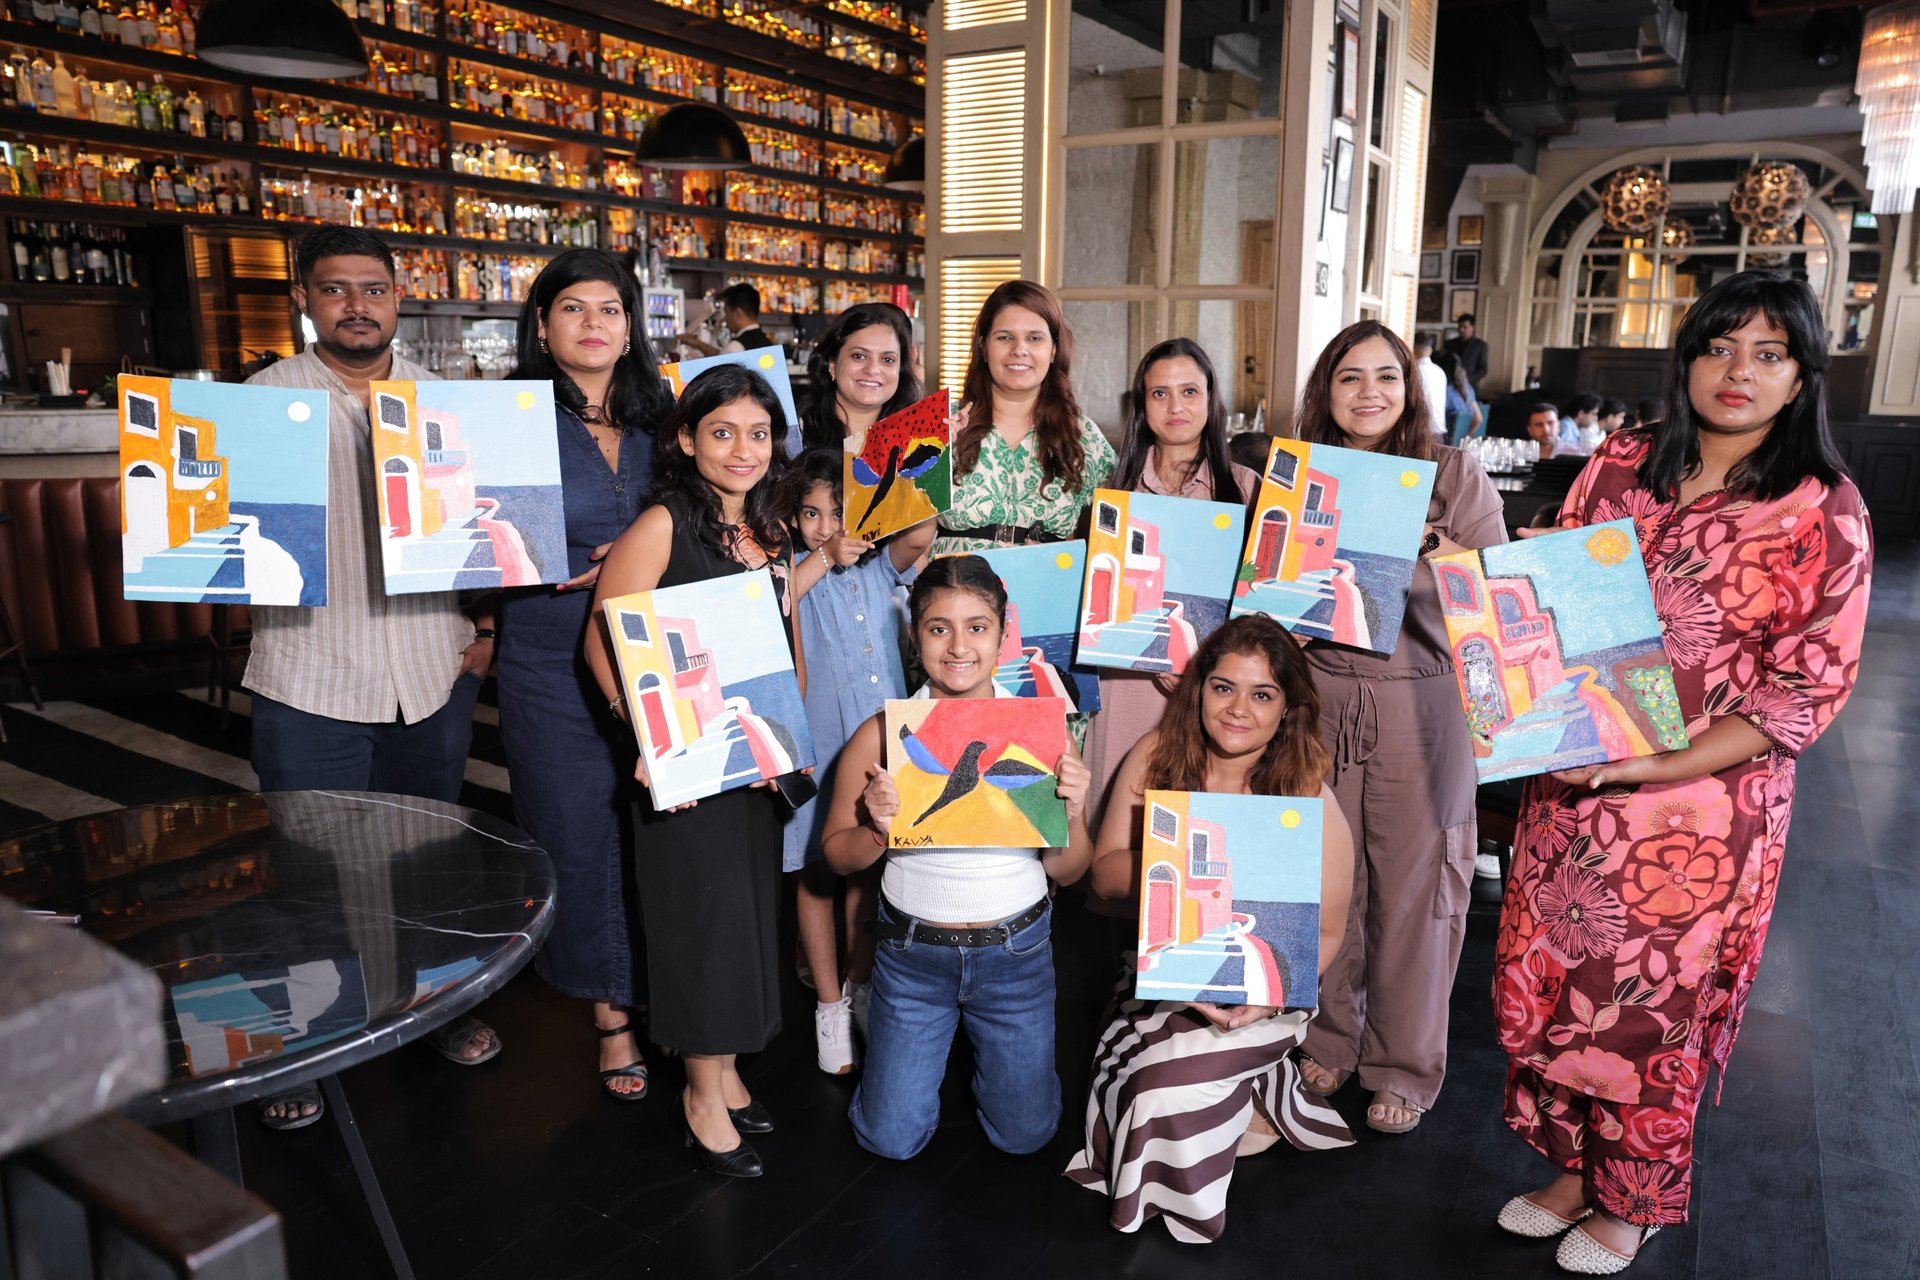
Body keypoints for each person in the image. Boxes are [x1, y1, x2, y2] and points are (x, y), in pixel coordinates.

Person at [1494, 272, 1872, 1274]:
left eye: (1767, 353)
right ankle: (1573, 1167)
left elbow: (1807, 688)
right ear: (1686, 358)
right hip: (1572, 779)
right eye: (1718, 346)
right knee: (1556, 982)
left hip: (1695, 817)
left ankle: (1636, 1196)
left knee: (1649, 1008)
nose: (1737, 370)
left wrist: (1657, 758)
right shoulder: (1620, 463)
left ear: (1801, 377)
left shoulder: (1819, 508)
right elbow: (1559, 593)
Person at [244, 225, 499, 1130]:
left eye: (373, 289)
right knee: (309, 869)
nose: (357, 305)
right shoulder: (258, 404)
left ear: (400, 298)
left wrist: (488, 628)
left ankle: (429, 1011)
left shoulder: (450, 406)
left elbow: (493, 536)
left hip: (430, 669)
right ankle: (300, 1048)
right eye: (335, 289)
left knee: (427, 860)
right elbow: (217, 543)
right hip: (308, 672)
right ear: (305, 302)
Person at [1066, 615, 1357, 1242]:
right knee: (1139, 1089)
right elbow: (1106, 877)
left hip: (1263, 991)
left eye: (1262, 694)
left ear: (1289, 708)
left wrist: (1265, 1000)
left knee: (1162, 1094)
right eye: (1223, 687)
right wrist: (1187, 859)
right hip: (1163, 972)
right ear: (1196, 688)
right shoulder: (1156, 755)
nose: (1238, 710)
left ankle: (1254, 1078)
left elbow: (1328, 931)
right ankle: (1255, 1091)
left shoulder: (1308, 793)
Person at [1290, 320, 1508, 1135]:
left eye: (1386, 376)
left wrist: (1431, 544)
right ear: (1327, 391)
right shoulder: (1303, 479)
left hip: (1424, 700)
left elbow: (1492, 602)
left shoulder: (1453, 475)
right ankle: (1330, 1038)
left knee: (1421, 894)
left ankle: (1404, 1066)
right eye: (1350, 377)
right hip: (1321, 694)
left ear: (1409, 389)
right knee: (1327, 883)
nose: (1369, 392)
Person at [584, 364, 796, 1178]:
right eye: (721, 432)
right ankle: (700, 1097)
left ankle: (728, 1069)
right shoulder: (664, 525)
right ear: (684, 439)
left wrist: (784, 742)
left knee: (742, 920)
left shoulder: (770, 531)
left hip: (751, 761)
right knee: (700, 928)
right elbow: (601, 641)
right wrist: (641, 736)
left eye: (757, 432)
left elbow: (785, 643)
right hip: (683, 763)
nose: (742, 449)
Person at [820, 555, 1095, 1160]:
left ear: (1003, 633)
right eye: (938, 627)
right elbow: (837, 858)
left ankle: (994, 1068)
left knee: (1027, 1135)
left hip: (1016, 954)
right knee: (888, 1140)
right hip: (912, 956)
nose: (958, 646)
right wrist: (874, 826)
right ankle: (912, 1050)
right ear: (915, 636)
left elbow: (1071, 873)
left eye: (977, 626)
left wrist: (1070, 817)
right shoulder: (881, 735)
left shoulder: (1045, 734)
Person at [497, 248, 672, 1102]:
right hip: (546, 648)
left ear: (630, 325)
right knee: (575, 826)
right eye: (574, 308)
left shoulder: (663, 414)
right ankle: (611, 1017)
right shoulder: (504, 418)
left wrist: (640, 552)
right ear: (541, 325)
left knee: (660, 824)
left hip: (657, 647)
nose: (594, 323)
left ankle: (668, 997)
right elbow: (459, 541)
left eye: (611, 308)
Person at [779, 446, 934, 1074]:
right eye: (811, 514)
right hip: (815, 749)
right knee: (814, 869)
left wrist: (915, 466)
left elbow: (921, 531)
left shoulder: (878, 566)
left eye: (838, 512)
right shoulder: (792, 569)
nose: (826, 525)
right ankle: (827, 1004)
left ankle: (862, 985)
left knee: (869, 869)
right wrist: (822, 552)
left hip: (879, 749)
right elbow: (781, 592)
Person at [1086, 338, 1259, 828]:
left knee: (1193, 824)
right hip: (1126, 683)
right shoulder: (1113, 493)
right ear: (1142, 405)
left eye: (1189, 391)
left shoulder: (1247, 491)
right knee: (1118, 822)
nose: (1176, 406)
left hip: (1214, 689)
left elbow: (1263, 607)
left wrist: (1200, 667)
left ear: (1211, 399)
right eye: (1159, 394)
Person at [931, 280, 1115, 557]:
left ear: (1053, 350)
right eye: (1005, 337)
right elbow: (905, 538)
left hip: (1048, 592)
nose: (1019, 349)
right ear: (983, 346)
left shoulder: (1084, 436)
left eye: (1034, 338)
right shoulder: (941, 424)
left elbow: (1112, 538)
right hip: (951, 592)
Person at [799, 301, 921, 450]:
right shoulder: (794, 434)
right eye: (859, 356)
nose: (873, 369)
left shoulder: (921, 438)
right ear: (832, 363)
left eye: (887, 360)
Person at [678, 282, 776, 356]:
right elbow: (723, 357)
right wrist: (698, 344)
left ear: (737, 313)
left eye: (727, 312)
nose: (725, 318)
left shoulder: (736, 346)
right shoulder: (769, 345)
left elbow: (722, 368)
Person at [1443, 312, 1489, 399]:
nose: (1461, 330)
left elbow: (1483, 369)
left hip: (1470, 387)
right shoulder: (1449, 344)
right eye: (1459, 327)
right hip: (1450, 387)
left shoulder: (1480, 345)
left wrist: (1466, 380)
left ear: (1473, 327)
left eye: (1464, 327)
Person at [1412, 333, 1450, 439]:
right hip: (1438, 431)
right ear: (1431, 350)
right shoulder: (1440, 371)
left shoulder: (1414, 371)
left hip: (1418, 432)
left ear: (1413, 347)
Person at [1444, 354, 1484, 444]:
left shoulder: (1446, 390)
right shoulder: (1468, 387)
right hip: (1460, 443)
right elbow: (1479, 418)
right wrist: (1464, 438)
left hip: (1446, 442)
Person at [1559, 392, 1603, 456]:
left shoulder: (1571, 427)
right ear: (1581, 413)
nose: (1596, 418)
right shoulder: (1566, 427)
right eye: (1593, 414)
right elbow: (1566, 454)